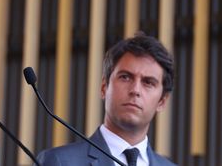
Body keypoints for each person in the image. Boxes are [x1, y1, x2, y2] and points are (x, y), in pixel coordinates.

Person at [37, 33, 176, 166]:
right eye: (125, 77)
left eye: (148, 82)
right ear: (104, 87)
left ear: (162, 101)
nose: (135, 90)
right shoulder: (59, 162)